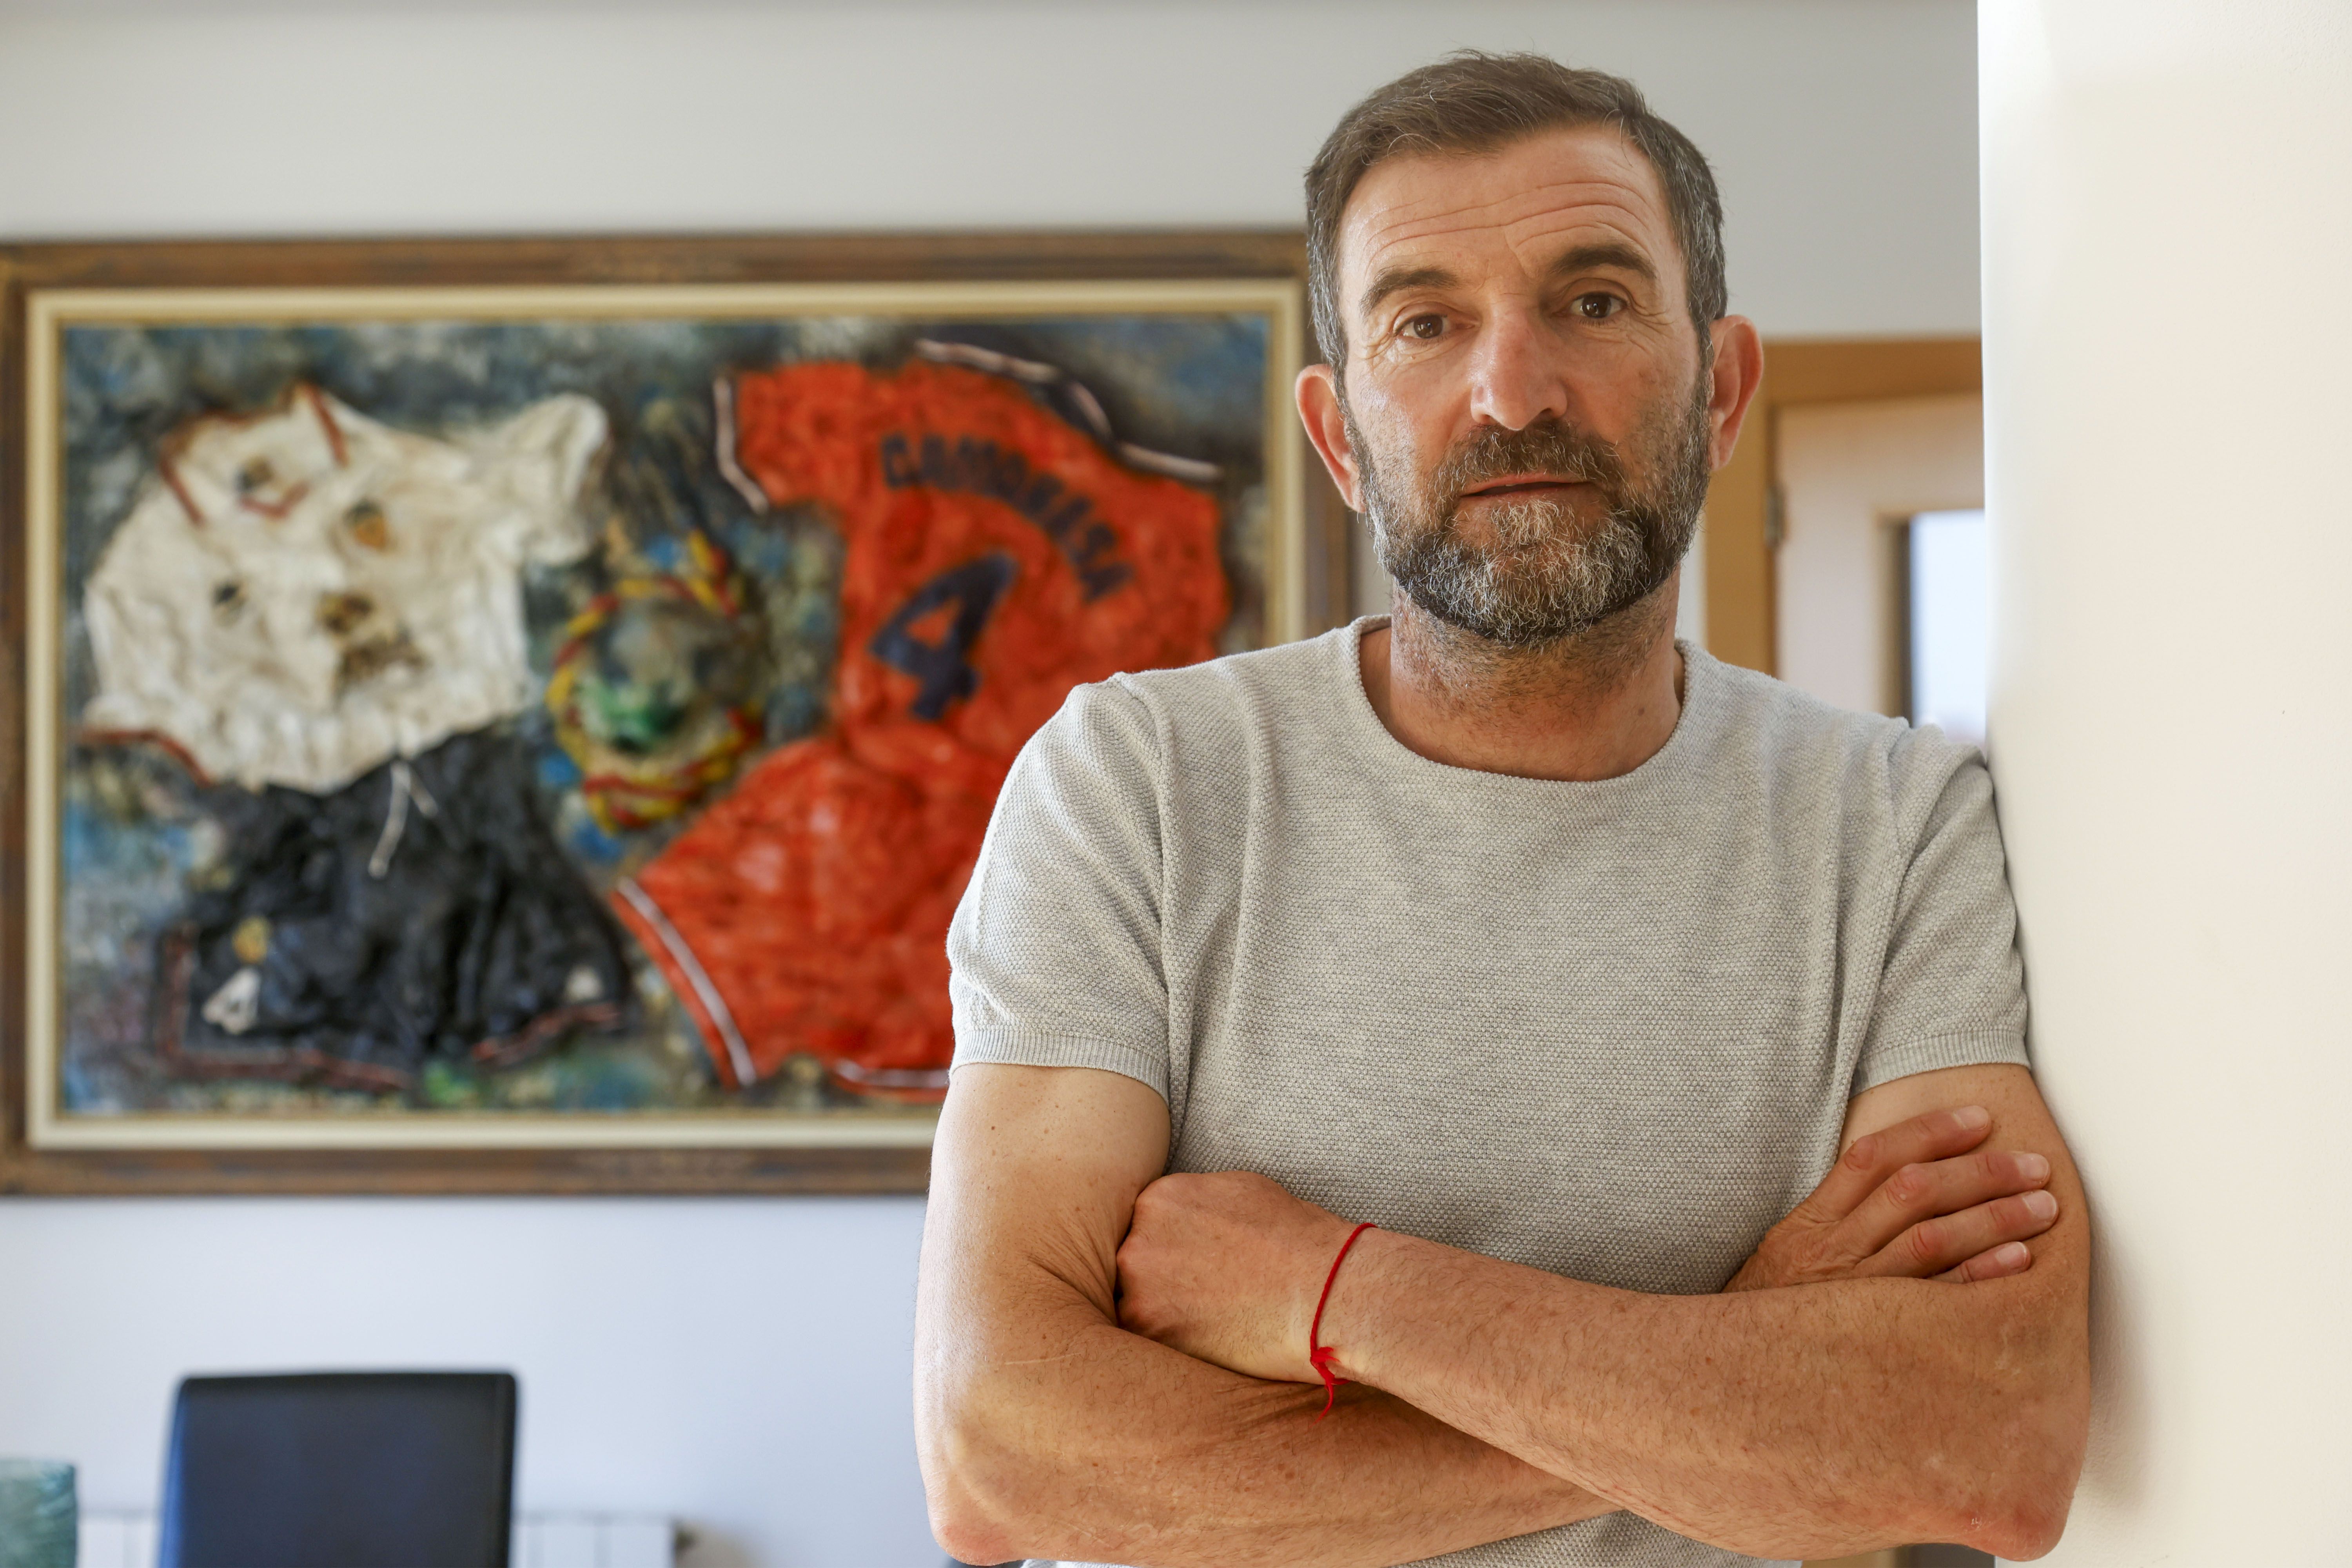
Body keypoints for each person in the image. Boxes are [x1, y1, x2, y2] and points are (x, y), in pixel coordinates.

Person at [913, 52, 2089, 1568]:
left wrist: (1342, 1294)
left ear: (1720, 388)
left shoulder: (1901, 822)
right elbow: (1001, 1465)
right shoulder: (1139, 786)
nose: (1512, 391)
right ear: (1341, 439)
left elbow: (1981, 1446)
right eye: (1426, 322)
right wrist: (1743, 1350)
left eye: (1593, 302)